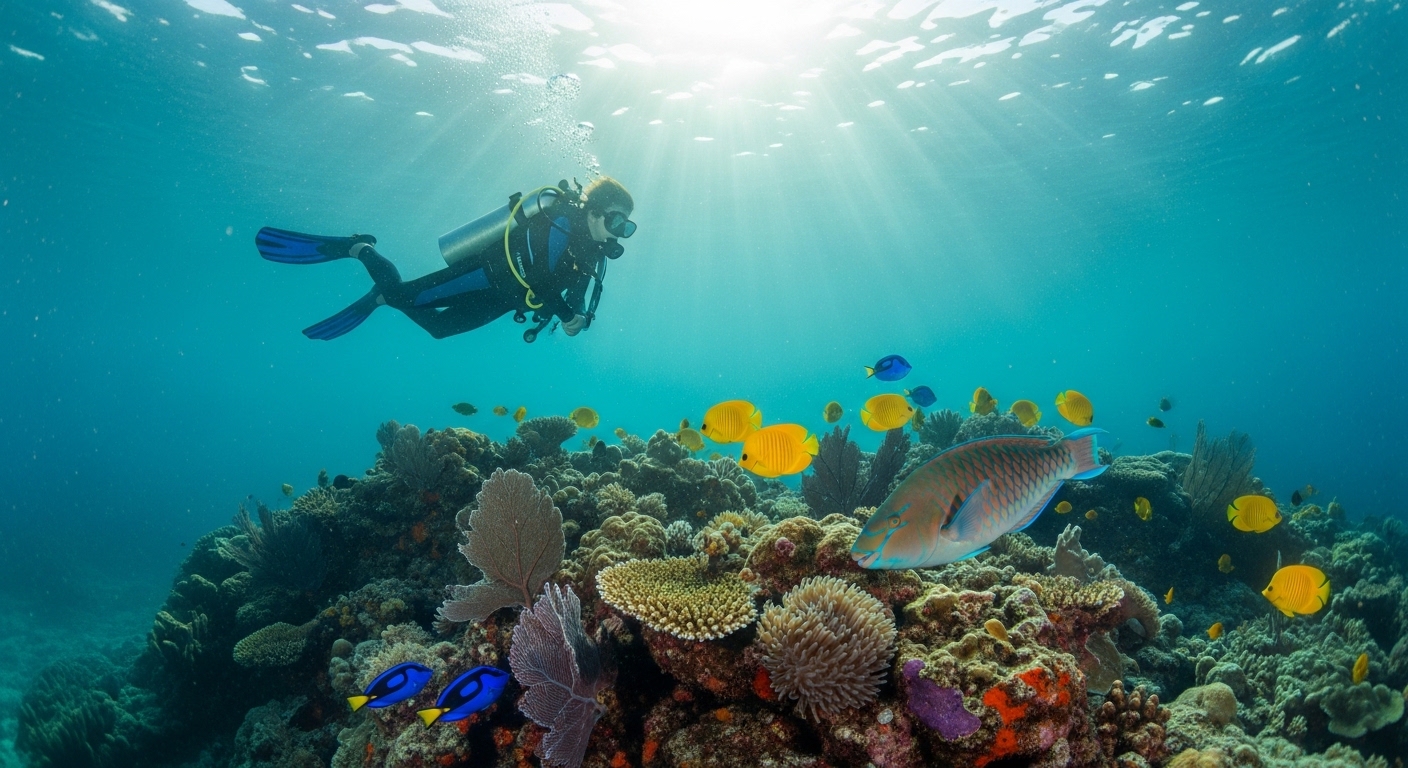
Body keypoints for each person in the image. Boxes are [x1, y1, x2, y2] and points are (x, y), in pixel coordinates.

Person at [255, 176, 636, 341]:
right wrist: (569, 316)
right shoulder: (562, 221)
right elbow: (538, 276)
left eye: (627, 227)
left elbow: (572, 297)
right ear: (596, 210)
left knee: (439, 330)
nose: (620, 231)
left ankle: (383, 296)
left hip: (504, 301)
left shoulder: (592, 251)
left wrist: (576, 317)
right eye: (618, 221)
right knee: (407, 297)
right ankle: (360, 249)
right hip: (484, 274)